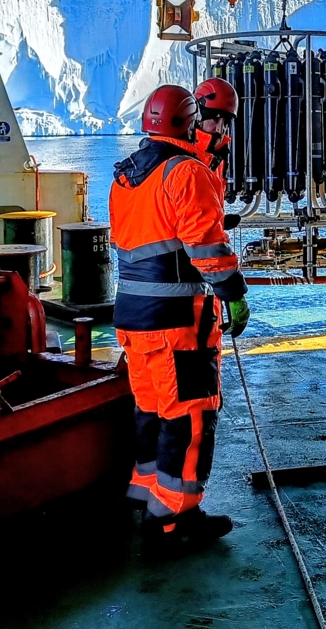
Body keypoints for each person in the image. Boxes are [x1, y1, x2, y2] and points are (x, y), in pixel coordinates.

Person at [110, 84, 251, 548]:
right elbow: (205, 249)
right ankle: (175, 518)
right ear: (189, 124)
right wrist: (234, 293)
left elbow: (155, 234)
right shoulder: (186, 173)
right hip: (175, 324)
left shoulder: (126, 175)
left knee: (151, 409)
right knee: (190, 416)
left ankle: (146, 491)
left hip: (132, 318)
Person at [194, 77, 239, 227]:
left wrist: (217, 221)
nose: (220, 129)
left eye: (225, 122)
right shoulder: (182, 158)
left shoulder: (217, 157)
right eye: (215, 119)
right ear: (198, 117)